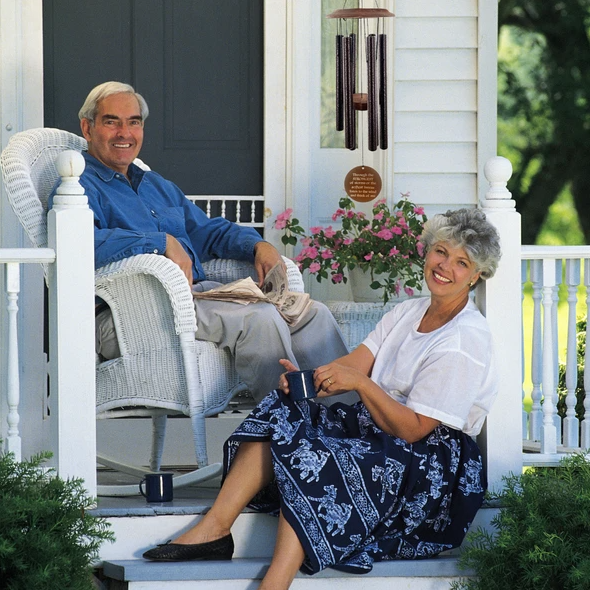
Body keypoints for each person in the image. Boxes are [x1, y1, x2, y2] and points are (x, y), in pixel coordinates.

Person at [142, 208, 502, 590]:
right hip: (380, 428)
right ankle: (215, 529)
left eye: (461, 262)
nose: (445, 266)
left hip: (429, 464)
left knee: (324, 454)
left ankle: (275, 584)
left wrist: (361, 386)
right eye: (441, 252)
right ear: (428, 251)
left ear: (476, 275)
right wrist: (307, 381)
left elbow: (414, 429)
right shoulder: (410, 310)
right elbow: (356, 363)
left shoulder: (465, 340)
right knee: (285, 414)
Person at [56, 81, 350, 402]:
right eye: (112, 121)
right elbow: (81, 245)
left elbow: (208, 231)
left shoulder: (156, 185)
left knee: (313, 316)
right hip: (133, 313)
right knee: (260, 320)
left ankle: (347, 426)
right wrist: (159, 242)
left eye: (134, 122)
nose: (124, 132)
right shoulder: (78, 184)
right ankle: (282, 431)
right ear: (87, 127)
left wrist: (257, 245)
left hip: (195, 300)